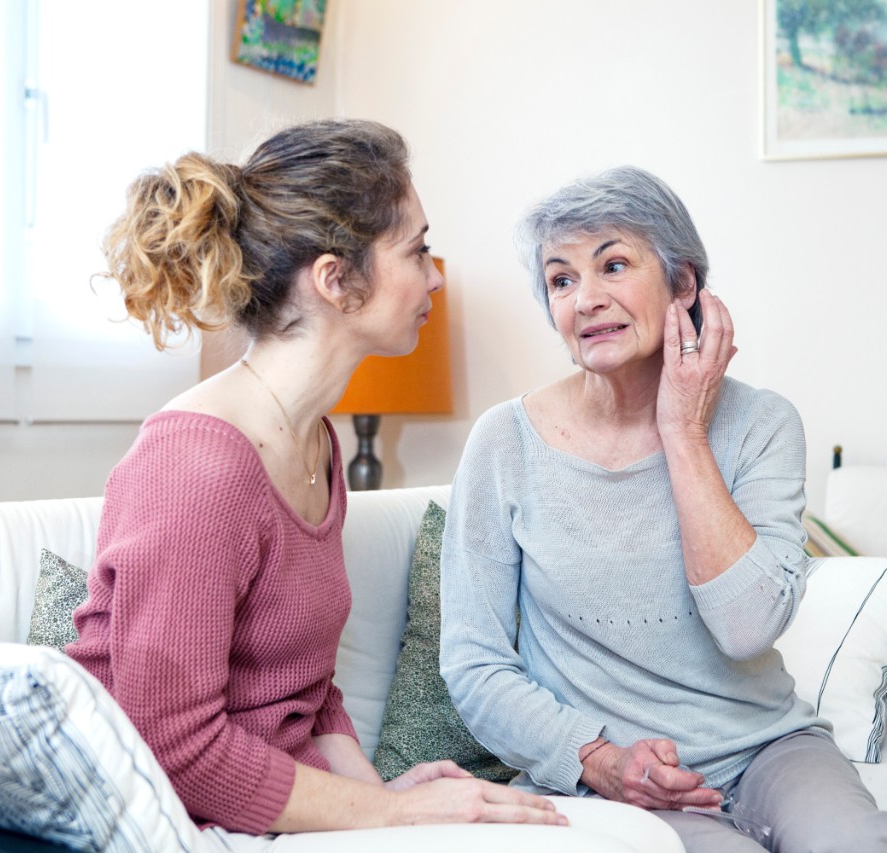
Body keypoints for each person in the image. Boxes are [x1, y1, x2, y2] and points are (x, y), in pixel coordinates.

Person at [65, 119, 564, 846]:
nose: (434, 275)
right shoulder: (195, 467)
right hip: (150, 818)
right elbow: (170, 746)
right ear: (335, 279)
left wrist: (381, 793)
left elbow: (301, 692)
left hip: (262, 813)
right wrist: (394, 816)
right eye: (416, 249)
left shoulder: (314, 443)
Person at [438, 166, 887, 853]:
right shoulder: (504, 442)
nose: (586, 299)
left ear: (684, 282)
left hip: (766, 750)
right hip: (609, 772)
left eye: (614, 264)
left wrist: (683, 430)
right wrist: (597, 758)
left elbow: (747, 627)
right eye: (562, 279)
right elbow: (475, 663)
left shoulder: (762, 424)